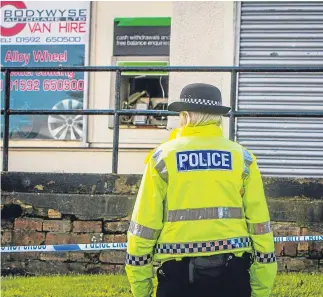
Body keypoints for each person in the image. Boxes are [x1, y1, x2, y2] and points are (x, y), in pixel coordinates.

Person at [125, 83, 277, 297]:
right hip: (232, 274)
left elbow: (143, 228)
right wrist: (261, 287)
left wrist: (141, 289)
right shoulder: (242, 158)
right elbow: (260, 227)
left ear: (185, 115)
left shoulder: (163, 158)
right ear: (218, 117)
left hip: (177, 276)